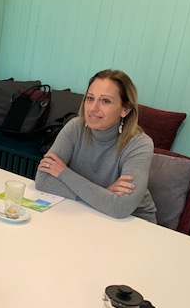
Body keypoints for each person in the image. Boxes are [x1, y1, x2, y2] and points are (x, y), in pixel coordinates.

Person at [35, 69, 157, 221]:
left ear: (125, 109)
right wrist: (103, 194)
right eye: (90, 98)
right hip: (89, 212)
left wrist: (64, 173)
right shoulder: (75, 127)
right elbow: (43, 180)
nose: (93, 108)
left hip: (133, 222)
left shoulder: (140, 144)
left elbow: (120, 207)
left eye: (105, 101)